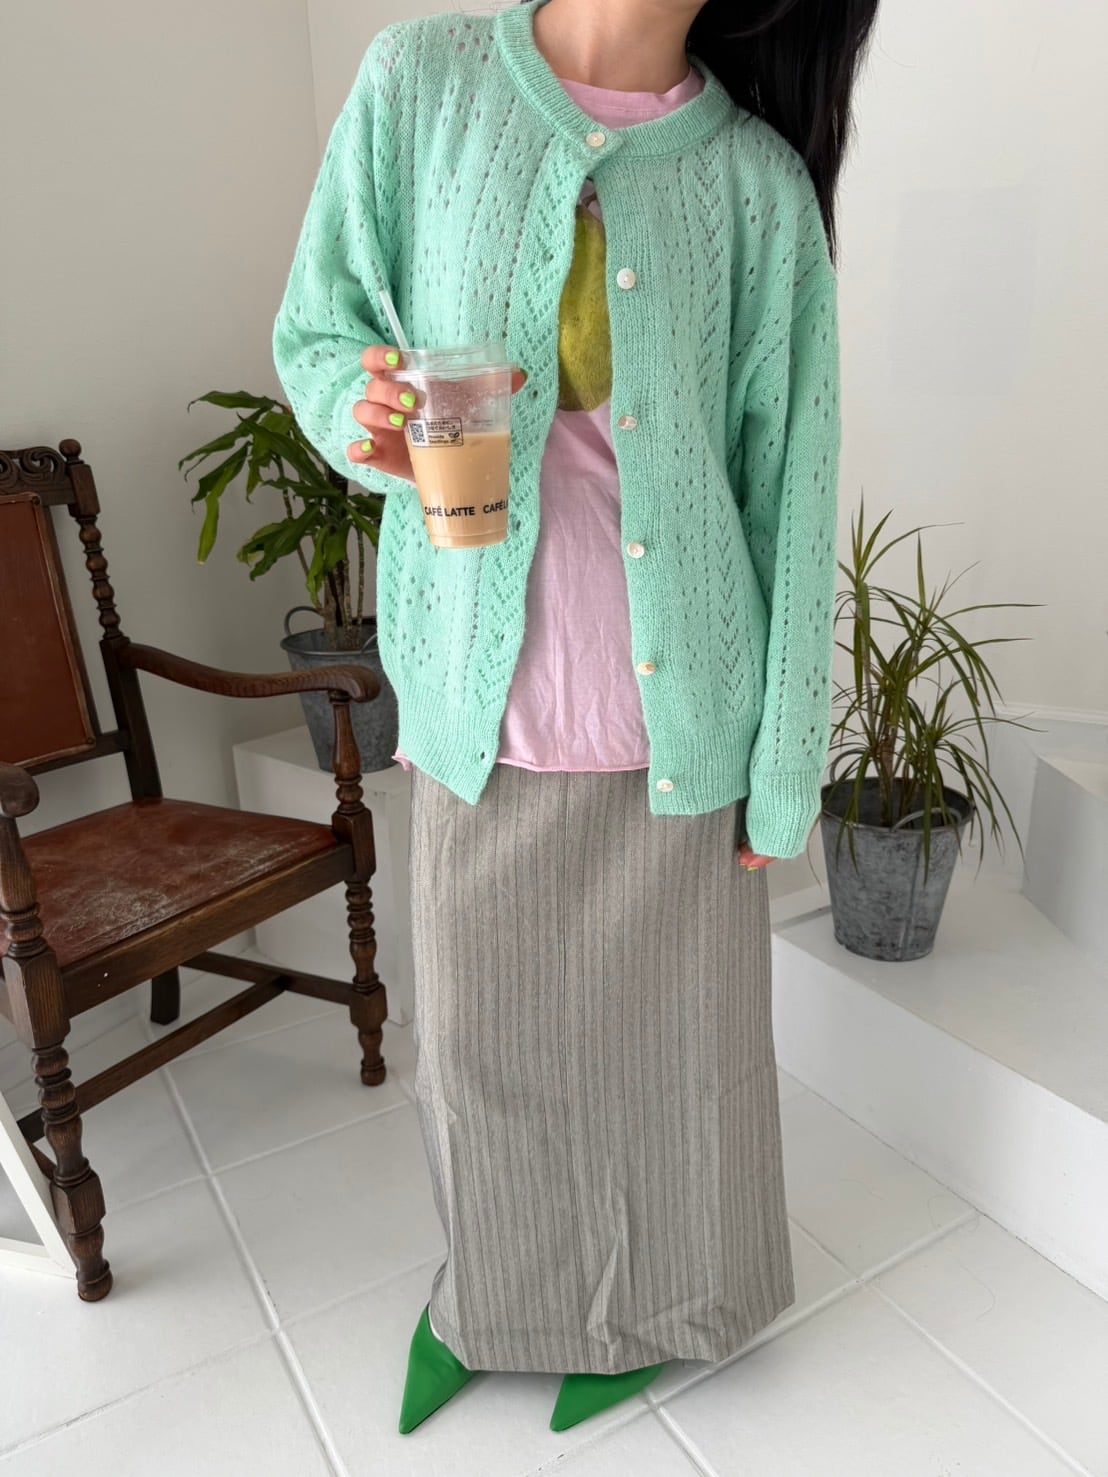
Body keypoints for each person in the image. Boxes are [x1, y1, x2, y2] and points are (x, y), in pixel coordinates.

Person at [273, 0, 879, 1437]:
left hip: (682, 721)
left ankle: (667, 1307)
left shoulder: (755, 185)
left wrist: (785, 766)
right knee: (482, 1057)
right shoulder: (422, 84)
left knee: (678, 1066)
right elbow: (319, 328)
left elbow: (792, 489)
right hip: (481, 700)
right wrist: (355, 410)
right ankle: (493, 1304)